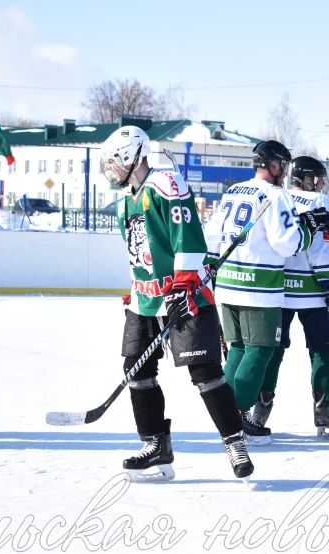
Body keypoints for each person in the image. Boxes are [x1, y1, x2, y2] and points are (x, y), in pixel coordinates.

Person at [101, 125, 253, 481]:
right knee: (136, 369)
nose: (110, 170)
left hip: (184, 293)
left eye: (114, 162)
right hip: (145, 300)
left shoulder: (165, 185)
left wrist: (183, 286)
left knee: (205, 373)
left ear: (131, 157)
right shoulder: (126, 197)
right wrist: (138, 288)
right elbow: (140, 249)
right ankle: (156, 444)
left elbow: (189, 239)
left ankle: (235, 441)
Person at [205, 141, 329, 445]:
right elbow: (286, 243)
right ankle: (240, 419)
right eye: (283, 166)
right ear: (273, 165)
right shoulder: (276, 196)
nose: (286, 172)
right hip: (259, 288)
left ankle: (226, 415)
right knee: (260, 351)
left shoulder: (234, 191)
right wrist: (309, 227)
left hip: (229, 284)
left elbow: (211, 236)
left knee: (237, 348)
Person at [248, 156, 329, 437]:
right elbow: (321, 247)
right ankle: (323, 409)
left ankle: (261, 407)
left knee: (272, 351)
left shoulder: (278, 195)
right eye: (317, 178)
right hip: (312, 292)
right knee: (324, 350)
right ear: (307, 178)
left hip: (278, 289)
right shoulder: (320, 202)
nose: (321, 184)